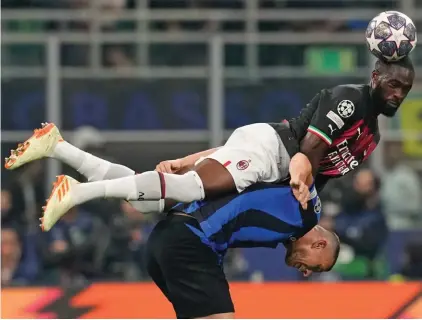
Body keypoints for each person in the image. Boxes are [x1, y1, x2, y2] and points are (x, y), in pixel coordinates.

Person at [5, 58, 415, 231]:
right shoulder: (351, 99)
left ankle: (58, 146)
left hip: (259, 154)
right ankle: (77, 192)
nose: (398, 94)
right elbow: (306, 154)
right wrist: (301, 187)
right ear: (376, 78)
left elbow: (312, 174)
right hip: (272, 151)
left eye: (406, 89)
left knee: (151, 200)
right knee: (192, 189)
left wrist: (189, 158)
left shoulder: (372, 137)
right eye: (393, 84)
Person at [145, 153, 339, 319]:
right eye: (317, 267)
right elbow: (302, 157)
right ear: (319, 245)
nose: (307, 272)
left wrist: (185, 163)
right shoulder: (308, 212)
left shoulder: (287, 234)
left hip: (166, 238)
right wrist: (183, 162)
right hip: (188, 239)